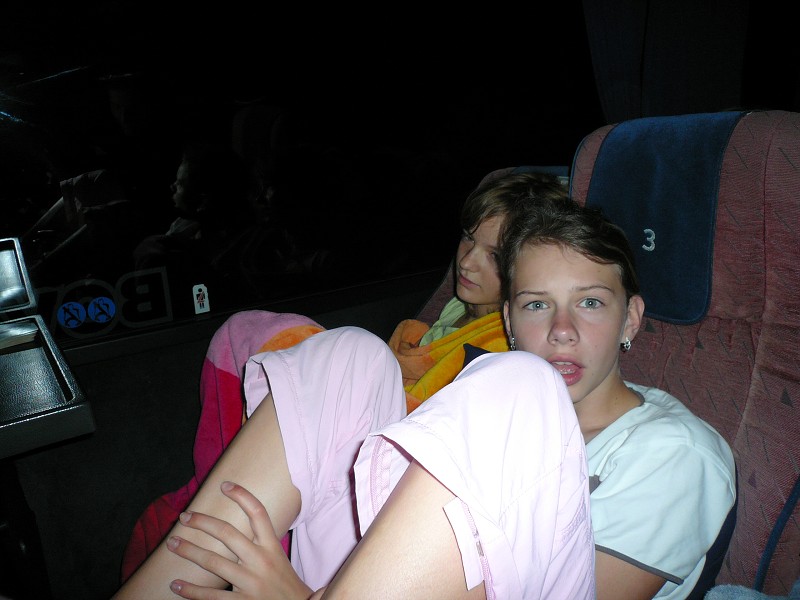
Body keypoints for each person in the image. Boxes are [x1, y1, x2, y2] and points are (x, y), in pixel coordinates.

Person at [118, 170, 572, 581]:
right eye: (468, 239)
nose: (467, 262)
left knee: (314, 344)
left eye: (493, 255)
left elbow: (435, 430)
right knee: (283, 337)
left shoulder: (502, 345)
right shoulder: (457, 308)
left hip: (393, 484)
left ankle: (255, 503)